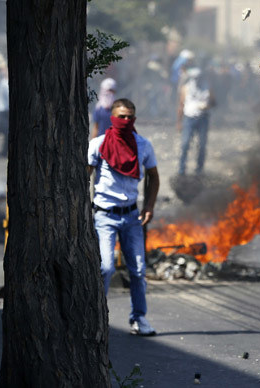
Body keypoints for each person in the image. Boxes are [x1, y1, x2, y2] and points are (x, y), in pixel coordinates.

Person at [88, 98, 160, 336]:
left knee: (138, 270)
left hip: (131, 216)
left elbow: (153, 177)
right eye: (122, 117)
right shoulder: (99, 145)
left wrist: (148, 205)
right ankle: (96, 317)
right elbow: (84, 174)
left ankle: (139, 318)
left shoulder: (142, 145)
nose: (126, 121)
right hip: (104, 215)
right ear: (113, 118)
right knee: (105, 268)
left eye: (130, 117)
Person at [177, 67, 216, 175]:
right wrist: (179, 122)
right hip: (189, 119)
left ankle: (199, 169)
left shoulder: (207, 88)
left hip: (203, 119)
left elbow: (214, 102)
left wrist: (207, 105)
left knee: (202, 145)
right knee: (185, 144)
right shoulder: (186, 88)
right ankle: (181, 169)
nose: (197, 80)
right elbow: (181, 105)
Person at [0, 65, 8, 156]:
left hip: (2, 110)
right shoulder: (4, 84)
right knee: (7, 131)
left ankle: (4, 151)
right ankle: (4, 152)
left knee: (6, 131)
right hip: (4, 110)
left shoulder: (2, 84)